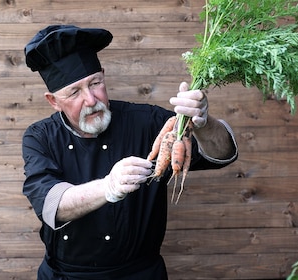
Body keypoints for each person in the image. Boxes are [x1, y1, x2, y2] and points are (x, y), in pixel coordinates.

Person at [21, 25, 238, 279]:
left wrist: (203, 122)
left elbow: (223, 154)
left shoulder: (147, 122)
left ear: (103, 75)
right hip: (66, 275)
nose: (91, 100)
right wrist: (108, 187)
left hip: (141, 273)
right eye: (75, 92)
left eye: (95, 83)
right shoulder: (40, 137)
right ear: (54, 101)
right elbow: (49, 205)